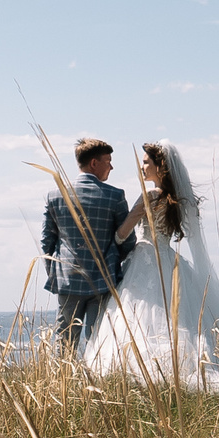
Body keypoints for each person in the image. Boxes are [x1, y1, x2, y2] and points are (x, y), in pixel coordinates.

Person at [83, 140, 219, 388]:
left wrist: (112, 235)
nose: (142, 166)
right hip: (169, 259)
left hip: (144, 258)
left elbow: (121, 234)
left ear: (161, 167)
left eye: (147, 162)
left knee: (139, 318)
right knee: (176, 318)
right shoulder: (179, 200)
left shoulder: (149, 196)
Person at [40, 139, 133, 353]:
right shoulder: (114, 196)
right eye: (108, 161)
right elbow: (127, 239)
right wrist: (116, 265)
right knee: (98, 343)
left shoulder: (55, 195)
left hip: (67, 278)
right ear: (94, 163)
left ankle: (62, 385)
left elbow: (47, 242)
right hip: (103, 279)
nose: (111, 166)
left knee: (64, 345)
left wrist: (57, 273)